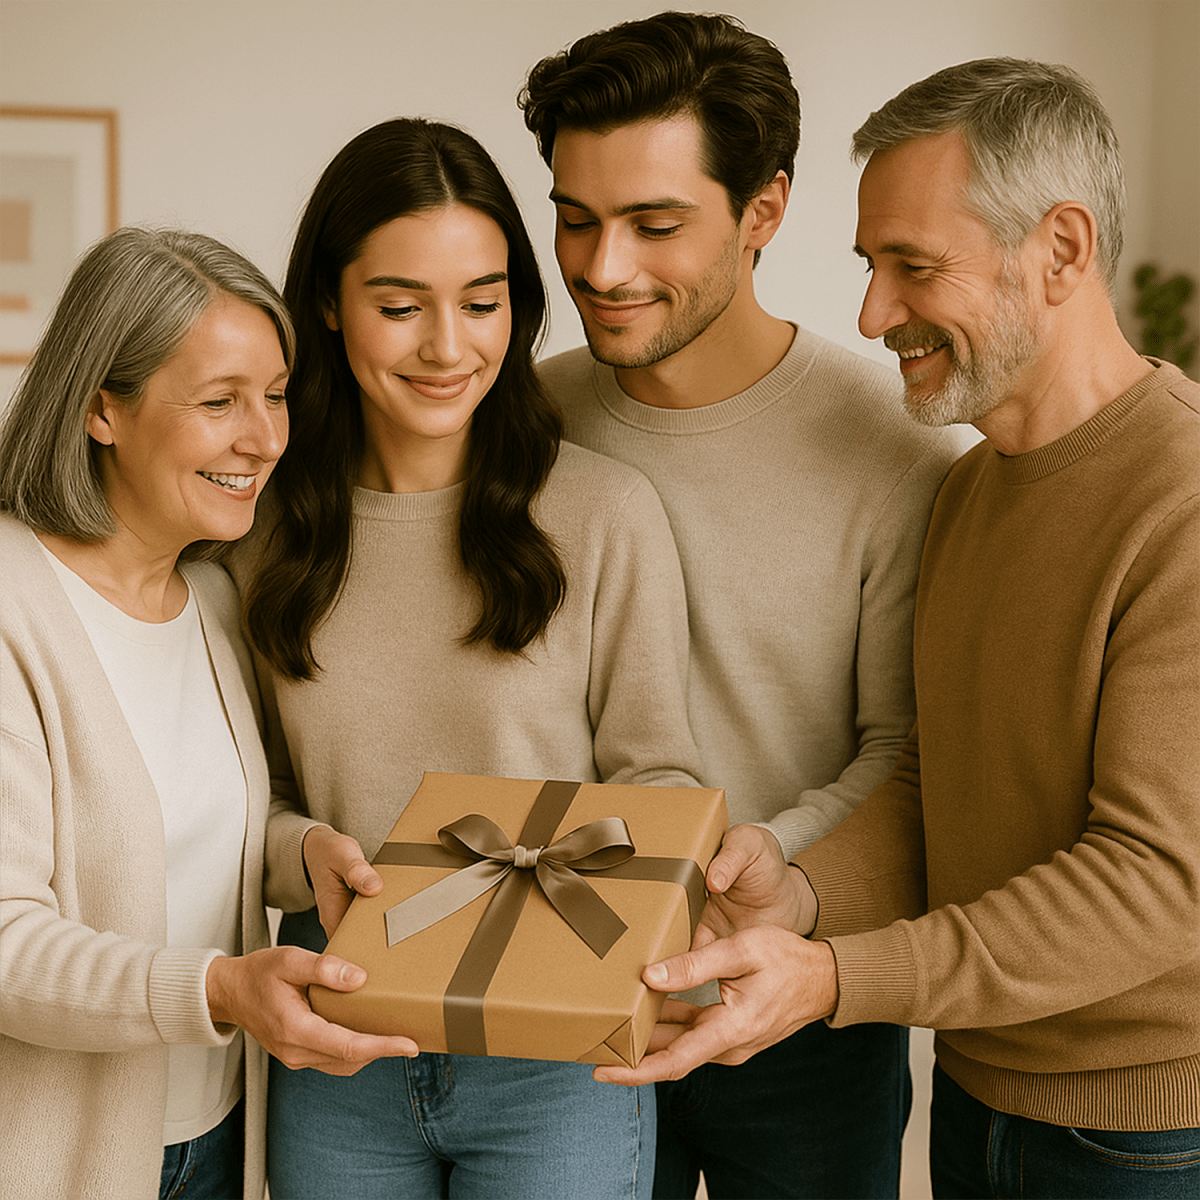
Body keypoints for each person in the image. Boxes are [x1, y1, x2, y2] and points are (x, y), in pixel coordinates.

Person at [590, 58, 1200, 1200]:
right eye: (873, 268)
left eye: (914, 269)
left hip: (1151, 1143)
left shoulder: (1182, 501)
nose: (872, 315)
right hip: (983, 1104)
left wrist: (832, 976)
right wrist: (800, 890)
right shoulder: (973, 491)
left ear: (1062, 250)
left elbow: (1160, 880)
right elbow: (938, 780)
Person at [519, 12, 968, 1199]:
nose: (602, 267)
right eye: (575, 217)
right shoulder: (517, 427)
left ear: (764, 210)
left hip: (804, 1011)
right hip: (559, 1005)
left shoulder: (898, 452)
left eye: (655, 224)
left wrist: (740, 903)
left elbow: (903, 750)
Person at [235, 117, 702, 1200]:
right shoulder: (259, 534)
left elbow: (658, 779)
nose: (449, 346)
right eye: (400, 307)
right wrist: (301, 850)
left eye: (482, 303)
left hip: (557, 1056)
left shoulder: (602, 514)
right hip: (338, 1032)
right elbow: (247, 801)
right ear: (326, 308)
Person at [0, 227, 415, 1200]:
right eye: (220, 402)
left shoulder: (214, 599)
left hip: (219, 1131)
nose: (264, 438)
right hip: (62, 1153)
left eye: (273, 397)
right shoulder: (12, 607)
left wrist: (300, 850)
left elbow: (194, 823)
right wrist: (220, 989)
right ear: (104, 408)